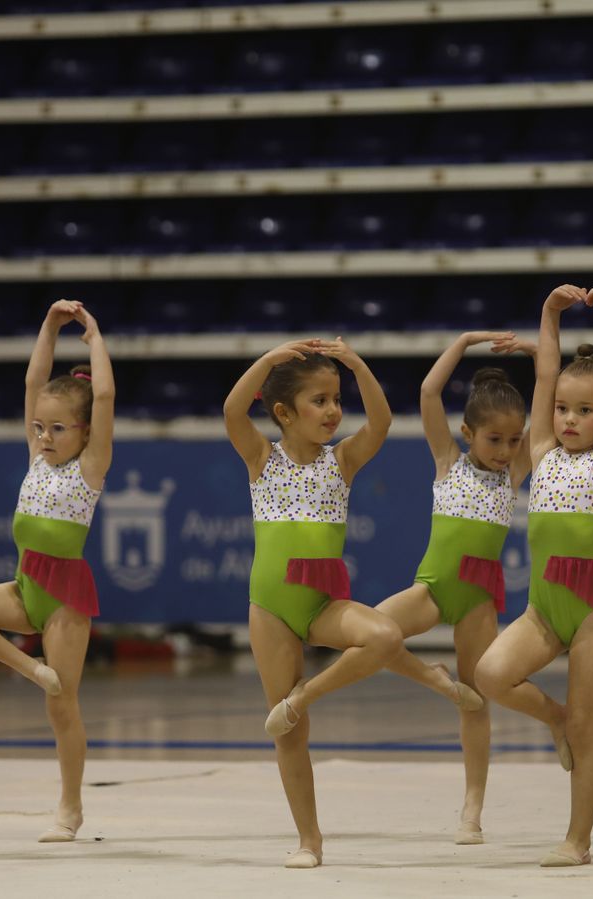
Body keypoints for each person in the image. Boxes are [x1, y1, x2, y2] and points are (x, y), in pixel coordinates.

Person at [0, 300, 115, 843]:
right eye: (38, 426)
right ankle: (27, 665)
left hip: (63, 600)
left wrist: (94, 337)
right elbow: (34, 377)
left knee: (62, 707)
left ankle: (70, 807)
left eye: (58, 428)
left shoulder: (90, 469)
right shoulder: (37, 459)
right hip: (23, 585)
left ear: (85, 433)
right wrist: (48, 326)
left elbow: (103, 395)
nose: (44, 436)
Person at [223, 335, 404, 868]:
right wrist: (271, 358)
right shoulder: (261, 457)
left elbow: (383, 421)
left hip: (325, 602)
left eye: (336, 400)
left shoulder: (342, 460)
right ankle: (310, 841)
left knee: (386, 636)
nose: (332, 411)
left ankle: (304, 696)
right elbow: (234, 409)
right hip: (271, 609)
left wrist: (355, 363)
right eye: (319, 401)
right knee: (291, 739)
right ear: (283, 412)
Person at [473, 284, 593, 867]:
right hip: (542, 608)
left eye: (584, 411)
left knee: (589, 731)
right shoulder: (539, 452)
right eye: (564, 409)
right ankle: (553, 718)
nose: (568, 419)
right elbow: (544, 377)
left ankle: (578, 840)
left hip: (590, 613)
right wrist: (548, 314)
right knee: (490, 674)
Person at [374, 331, 535, 845]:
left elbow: (552, 399)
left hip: (477, 602)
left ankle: (473, 808)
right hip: (433, 589)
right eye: (494, 441)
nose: (506, 451)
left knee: (478, 700)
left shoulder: (513, 476)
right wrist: (463, 342)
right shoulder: (447, 462)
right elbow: (427, 393)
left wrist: (538, 355)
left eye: (514, 441)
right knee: (372, 635)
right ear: (467, 433)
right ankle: (435, 679)